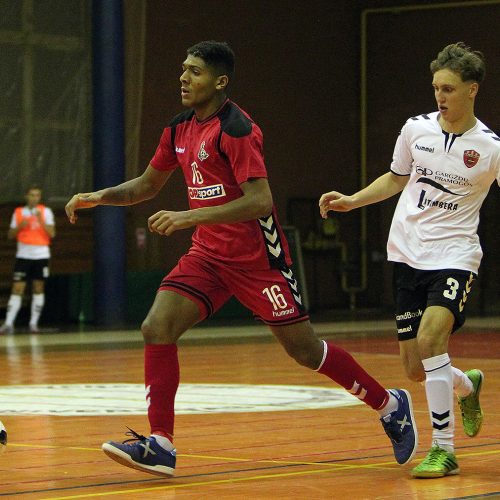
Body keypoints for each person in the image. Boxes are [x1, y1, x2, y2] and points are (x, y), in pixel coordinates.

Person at [65, 40, 417, 478]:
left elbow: (259, 201)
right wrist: (98, 197)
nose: (183, 77)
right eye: (183, 69)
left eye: (194, 71)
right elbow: (145, 186)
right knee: (156, 326)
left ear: (220, 81)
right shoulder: (178, 129)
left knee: (306, 352)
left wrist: (189, 215)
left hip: (257, 260)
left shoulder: (237, 129)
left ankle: (389, 404)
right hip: (208, 255)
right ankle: (161, 444)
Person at [320, 42, 499, 478]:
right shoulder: (415, 129)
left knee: (432, 338)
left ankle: (443, 448)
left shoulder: (490, 147)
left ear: (472, 90)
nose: (440, 96)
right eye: (436, 87)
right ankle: (464, 383)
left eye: (450, 88)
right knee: (416, 367)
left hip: (455, 254)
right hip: (406, 252)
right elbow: (396, 178)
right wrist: (353, 200)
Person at [0, 186, 56, 334]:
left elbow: (52, 233)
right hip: (23, 255)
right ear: (27, 197)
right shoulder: (19, 212)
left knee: (38, 288)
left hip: (41, 255)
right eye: (32, 195)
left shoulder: (45, 212)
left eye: (37, 195)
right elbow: (10, 235)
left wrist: (40, 220)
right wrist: (20, 226)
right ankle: (8, 323)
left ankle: (33, 323)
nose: (34, 198)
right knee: (17, 288)